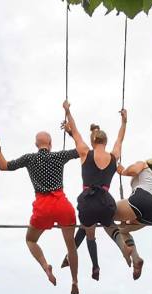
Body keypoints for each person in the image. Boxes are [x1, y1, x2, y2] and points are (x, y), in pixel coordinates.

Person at [0, 101, 85, 294]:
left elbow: (3, 166)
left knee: (30, 240)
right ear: (50, 145)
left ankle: (46, 267)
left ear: (36, 145)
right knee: (71, 247)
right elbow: (82, 149)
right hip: (62, 205)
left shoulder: (29, 158)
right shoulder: (58, 156)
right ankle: (75, 281)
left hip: (43, 208)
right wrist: (69, 123)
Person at [59, 106, 127, 281]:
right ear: (105, 141)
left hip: (88, 203)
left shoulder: (84, 152)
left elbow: (74, 130)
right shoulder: (114, 156)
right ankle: (89, 262)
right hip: (106, 204)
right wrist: (124, 121)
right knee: (100, 225)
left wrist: (67, 110)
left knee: (88, 230)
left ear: (93, 141)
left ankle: (94, 265)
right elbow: (120, 139)